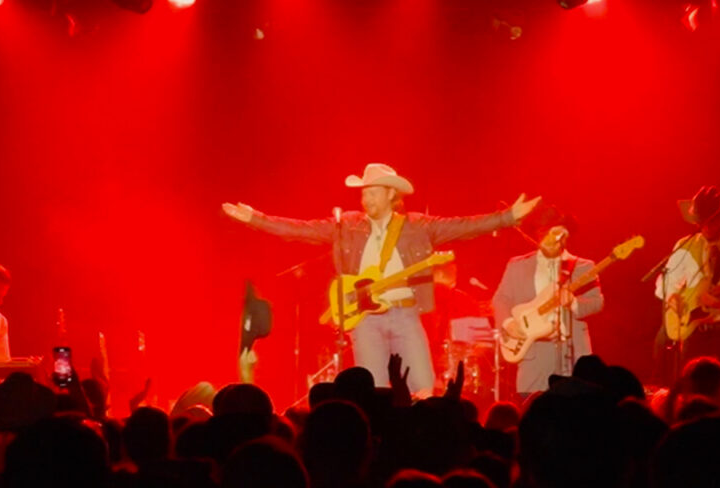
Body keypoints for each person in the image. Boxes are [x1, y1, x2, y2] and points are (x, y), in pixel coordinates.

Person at [223, 163, 539, 396]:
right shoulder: (347, 225)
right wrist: (255, 219)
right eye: (363, 193)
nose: (366, 199)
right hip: (365, 319)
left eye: (372, 192)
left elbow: (465, 226)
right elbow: (299, 230)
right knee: (374, 391)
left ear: (391, 194)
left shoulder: (417, 226)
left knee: (423, 388)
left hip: (406, 315)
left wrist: (508, 217)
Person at [654, 186, 720, 383]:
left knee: (718, 387)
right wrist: (673, 297)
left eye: (711, 220)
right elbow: (664, 284)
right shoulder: (685, 246)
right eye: (701, 221)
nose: (706, 227)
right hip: (691, 332)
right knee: (687, 385)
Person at [491, 224, 605, 396]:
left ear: (564, 239)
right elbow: (500, 299)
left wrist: (574, 303)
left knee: (576, 407)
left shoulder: (583, 266)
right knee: (533, 406)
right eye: (545, 234)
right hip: (534, 353)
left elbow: (597, 302)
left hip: (573, 351)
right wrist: (508, 323)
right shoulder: (518, 265)